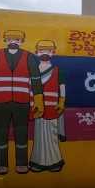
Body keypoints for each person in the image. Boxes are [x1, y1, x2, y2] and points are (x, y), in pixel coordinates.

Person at [0, 30, 43, 174]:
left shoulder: (29, 57)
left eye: (17, 39)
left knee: (22, 134)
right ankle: (1, 164)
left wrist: (38, 101)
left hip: (22, 102)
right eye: (10, 39)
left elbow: (36, 79)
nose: (14, 41)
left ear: (22, 41)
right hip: (0, 101)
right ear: (5, 40)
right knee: (0, 133)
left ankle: (21, 163)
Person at [29, 40, 66, 172]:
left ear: (53, 52)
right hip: (38, 108)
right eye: (41, 50)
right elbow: (29, 88)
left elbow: (62, 87)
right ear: (36, 52)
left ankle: (55, 162)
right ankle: (38, 162)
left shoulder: (56, 70)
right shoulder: (33, 71)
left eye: (48, 50)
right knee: (39, 137)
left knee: (52, 135)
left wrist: (62, 101)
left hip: (52, 108)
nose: (44, 53)